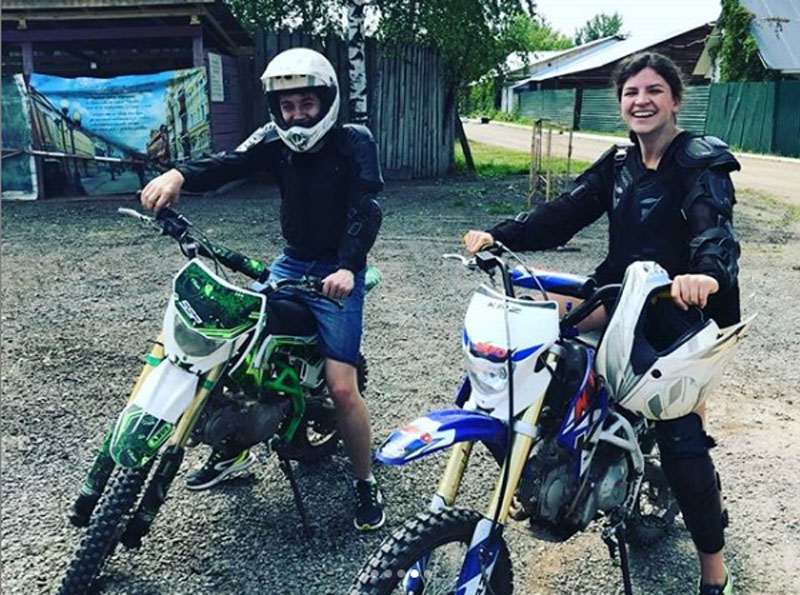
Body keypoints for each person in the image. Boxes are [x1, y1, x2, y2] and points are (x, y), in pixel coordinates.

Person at [464, 52, 739, 595]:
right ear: (620, 103)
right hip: (619, 291)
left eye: (654, 90)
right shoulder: (618, 164)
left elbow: (715, 230)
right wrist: (499, 235)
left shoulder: (700, 162)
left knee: (681, 440)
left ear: (675, 100)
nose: (642, 100)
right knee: (537, 341)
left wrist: (704, 275)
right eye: (631, 92)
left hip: (679, 308)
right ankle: (560, 459)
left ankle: (715, 571)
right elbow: (563, 214)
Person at [140, 47, 385, 531]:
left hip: (338, 269)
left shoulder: (354, 142)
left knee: (341, 387)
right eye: (288, 106)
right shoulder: (275, 142)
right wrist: (179, 173)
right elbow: (230, 162)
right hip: (292, 261)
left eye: (307, 104)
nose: (298, 115)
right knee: (236, 352)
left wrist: (348, 267)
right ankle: (233, 448)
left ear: (326, 101)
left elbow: (366, 208)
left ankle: (365, 480)